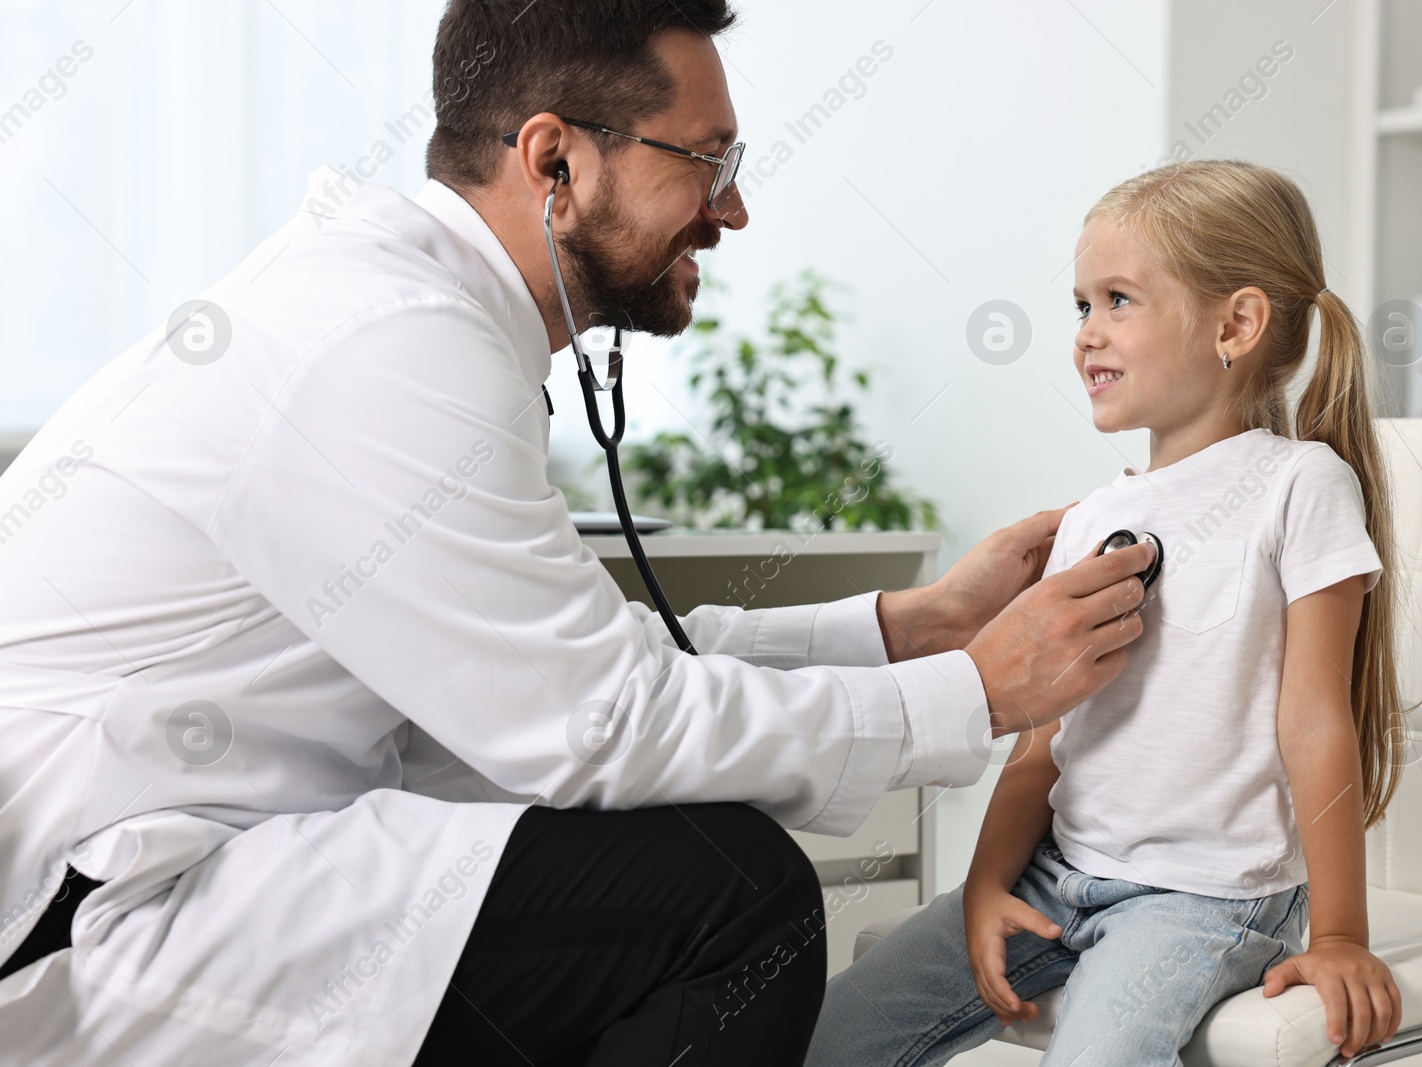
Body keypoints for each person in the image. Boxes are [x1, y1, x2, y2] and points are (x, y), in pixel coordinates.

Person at [0, 3, 1158, 1065]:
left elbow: (572, 669)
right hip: (97, 903)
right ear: (555, 160)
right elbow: (594, 721)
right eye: (707, 161)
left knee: (667, 876)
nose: (734, 206)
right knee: (724, 896)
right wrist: (975, 690)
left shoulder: (415, 316)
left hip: (194, 849)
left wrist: (913, 627)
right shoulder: (389, 343)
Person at [803, 159, 1411, 1066]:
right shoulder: (1091, 517)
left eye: (1118, 300)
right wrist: (982, 886)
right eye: (1080, 306)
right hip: (1055, 876)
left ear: (1235, 324)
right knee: (825, 1035)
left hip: (1203, 895)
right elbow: (1042, 742)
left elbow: (1318, 722)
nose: (1087, 333)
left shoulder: (1299, 484)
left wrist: (1340, 936)